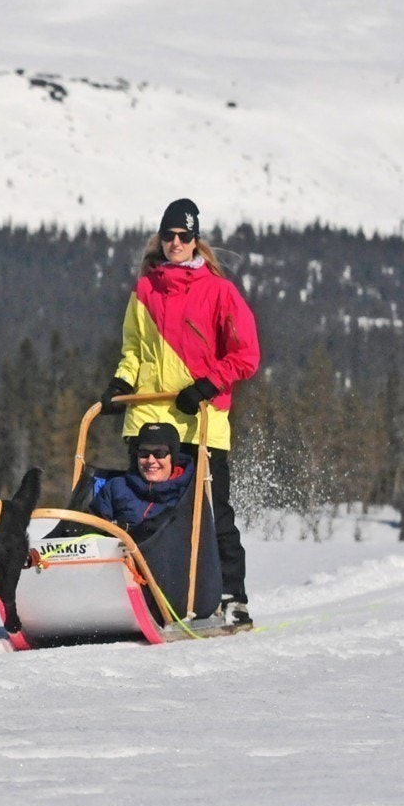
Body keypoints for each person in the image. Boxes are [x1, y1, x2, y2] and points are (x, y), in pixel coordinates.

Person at [98, 198, 260, 628]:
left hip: (200, 422)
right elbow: (133, 350)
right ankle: (149, 592)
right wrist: (120, 383)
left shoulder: (220, 292)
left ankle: (232, 596)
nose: (175, 243)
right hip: (149, 420)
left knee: (210, 511)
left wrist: (207, 384)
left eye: (184, 237)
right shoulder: (145, 289)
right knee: (144, 511)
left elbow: (246, 355)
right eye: (168, 236)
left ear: (196, 241)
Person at [89, 422, 196, 542]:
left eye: (159, 454)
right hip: (121, 556)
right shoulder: (116, 487)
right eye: (143, 453)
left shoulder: (190, 492)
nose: (150, 460)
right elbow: (92, 528)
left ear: (173, 457)